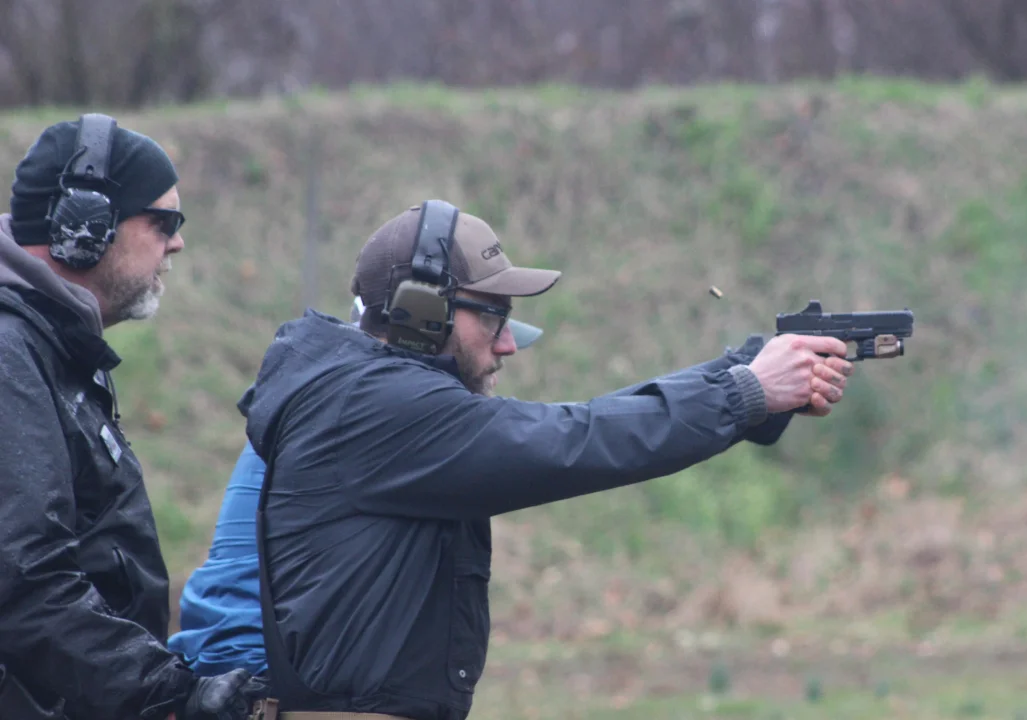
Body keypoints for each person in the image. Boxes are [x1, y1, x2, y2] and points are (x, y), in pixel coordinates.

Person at [238, 199, 854, 720]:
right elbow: (574, 442)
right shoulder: (379, 406)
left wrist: (742, 373)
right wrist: (742, 392)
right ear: (423, 312)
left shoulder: (365, 395)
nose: (508, 342)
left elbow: (581, 422)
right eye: (494, 317)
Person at [0, 113, 263, 719]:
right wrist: (165, 692)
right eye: (163, 221)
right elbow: (23, 582)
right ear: (83, 227)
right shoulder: (12, 354)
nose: (177, 243)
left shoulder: (53, 350)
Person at [167, 299, 547, 678]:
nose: (503, 352)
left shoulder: (322, 402)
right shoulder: (374, 417)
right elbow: (538, 445)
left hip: (240, 663)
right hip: (253, 673)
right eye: (487, 328)